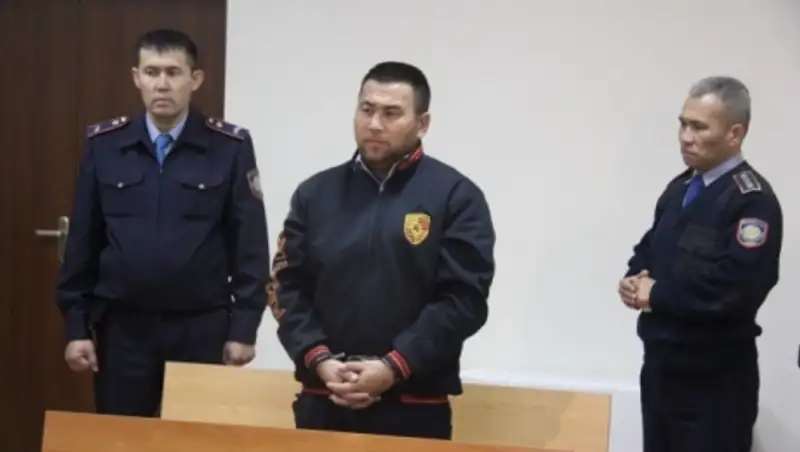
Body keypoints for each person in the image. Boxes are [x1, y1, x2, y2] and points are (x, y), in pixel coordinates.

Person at [267, 61, 495, 439]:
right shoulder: (314, 194)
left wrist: (393, 366)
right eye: (367, 109)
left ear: (422, 124)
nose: (374, 124)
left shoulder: (456, 196)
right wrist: (319, 359)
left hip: (413, 404)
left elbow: (463, 300)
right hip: (324, 398)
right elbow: (284, 287)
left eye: (391, 113)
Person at [56, 29, 271, 417]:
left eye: (173, 72)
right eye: (152, 72)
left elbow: (250, 245)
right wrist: (76, 327)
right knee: (121, 439)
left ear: (195, 79)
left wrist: (244, 328)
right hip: (122, 329)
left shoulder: (229, 148)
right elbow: (82, 244)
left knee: (195, 437)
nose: (162, 84)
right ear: (136, 77)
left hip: (200, 328)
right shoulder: (105, 146)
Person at [618, 76, 783, 452]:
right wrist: (633, 279)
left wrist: (656, 294)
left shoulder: (752, 200)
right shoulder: (680, 188)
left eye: (699, 127)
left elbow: (737, 288)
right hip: (662, 368)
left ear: (734, 133)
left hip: (714, 381)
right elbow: (650, 248)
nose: (685, 137)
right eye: (682, 124)